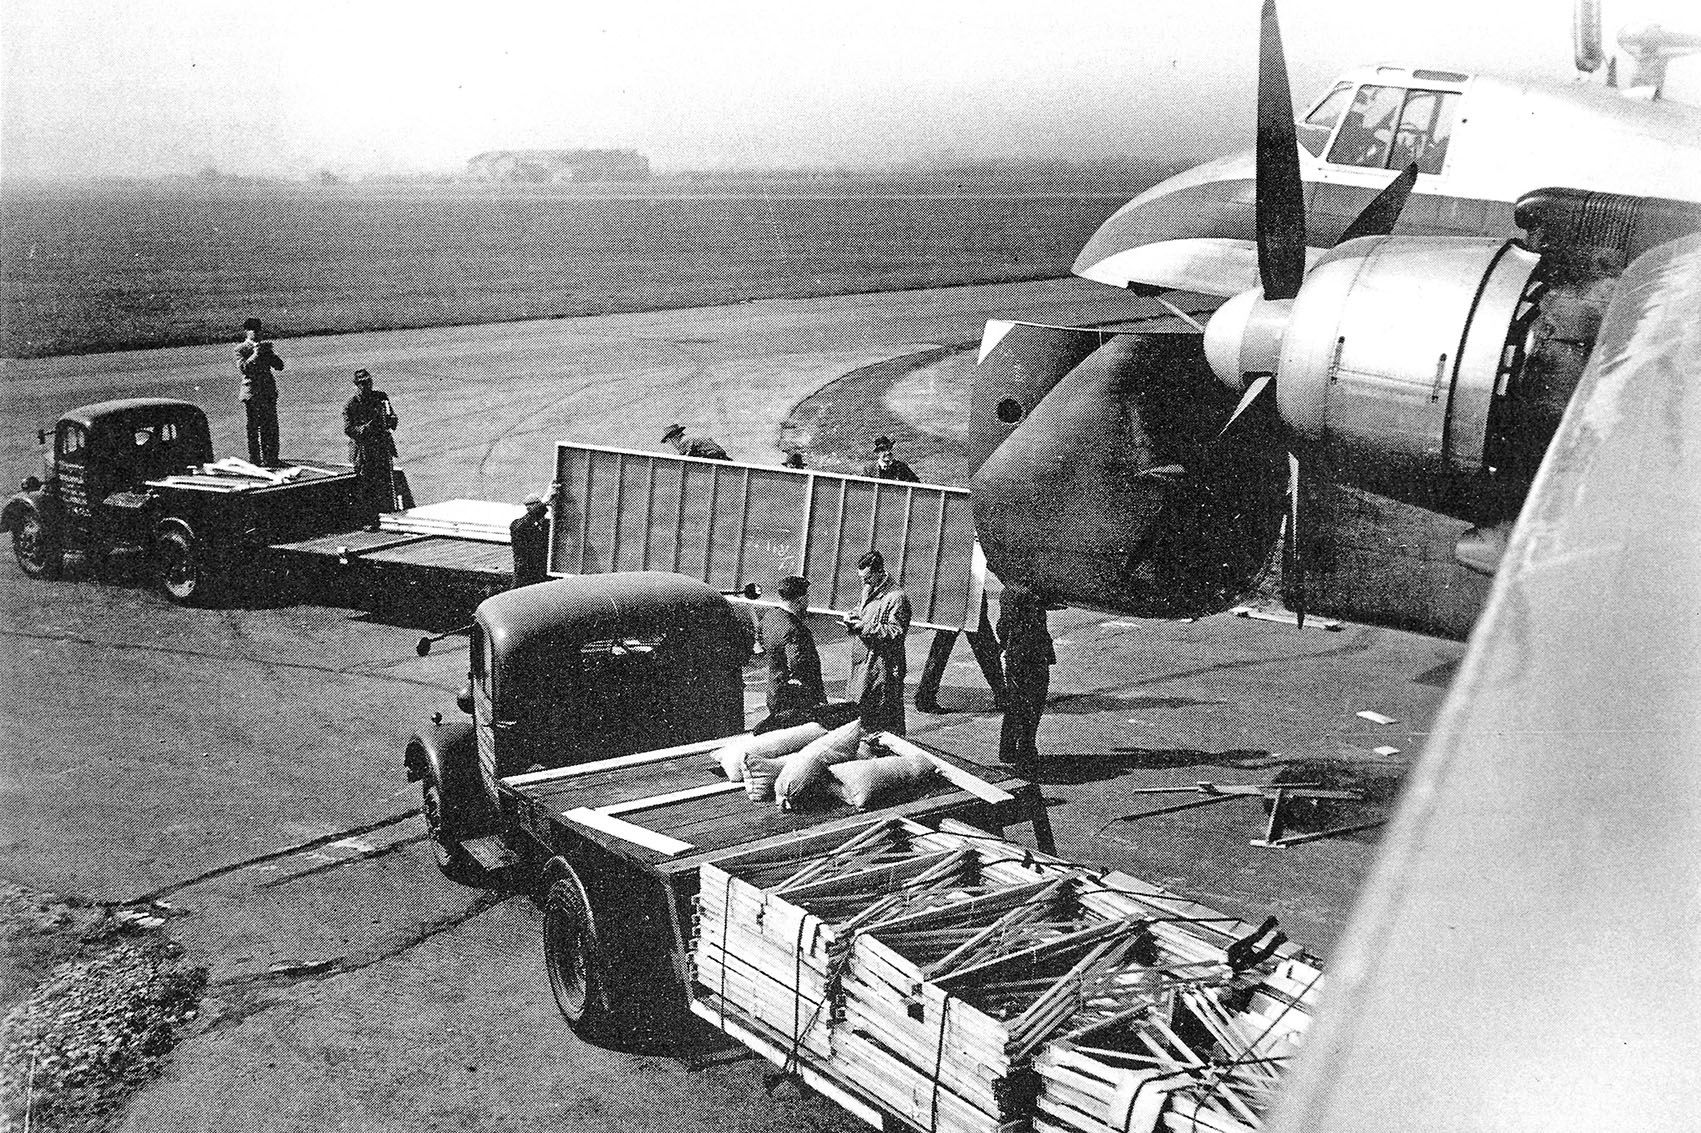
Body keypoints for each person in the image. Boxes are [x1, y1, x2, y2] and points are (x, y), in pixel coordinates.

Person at [842, 549, 912, 735]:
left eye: (867, 578)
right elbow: (864, 610)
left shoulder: (897, 597)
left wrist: (862, 627)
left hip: (883, 666)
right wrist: (854, 615)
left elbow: (896, 632)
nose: (863, 582)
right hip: (864, 661)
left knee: (882, 713)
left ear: (879, 572)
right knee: (861, 709)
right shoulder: (869, 588)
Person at [997, 583, 1056, 766]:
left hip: (1016, 654)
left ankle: (1008, 748)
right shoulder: (1030, 592)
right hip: (1032, 655)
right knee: (1033, 703)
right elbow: (1038, 627)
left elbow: (1003, 626)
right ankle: (1026, 747)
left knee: (1016, 703)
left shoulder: (1008, 591)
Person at [761, 574, 826, 715]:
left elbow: (760, 641)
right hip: (795, 701)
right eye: (807, 598)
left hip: (774, 691)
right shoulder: (796, 630)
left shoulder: (769, 617)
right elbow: (798, 667)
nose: (807, 602)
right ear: (800, 600)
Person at [343, 368, 399, 530]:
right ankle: (369, 520)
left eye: (368, 382)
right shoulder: (351, 405)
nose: (366, 386)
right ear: (356, 385)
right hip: (364, 450)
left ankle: (388, 516)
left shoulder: (380, 397)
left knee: (386, 481)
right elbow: (349, 429)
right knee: (366, 485)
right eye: (362, 383)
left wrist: (392, 420)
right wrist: (367, 428)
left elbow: (391, 418)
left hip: (381, 446)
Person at [234, 317, 284, 466]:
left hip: (267, 393)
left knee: (271, 426)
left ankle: (271, 458)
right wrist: (256, 354)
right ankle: (255, 459)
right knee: (254, 428)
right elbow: (244, 369)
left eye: (258, 330)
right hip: (252, 394)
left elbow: (280, 366)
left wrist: (270, 353)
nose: (256, 333)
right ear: (247, 332)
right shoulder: (241, 349)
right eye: (252, 331)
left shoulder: (265, 348)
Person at [509, 489, 553, 588]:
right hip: (525, 576)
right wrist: (543, 503)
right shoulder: (518, 525)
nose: (530, 508)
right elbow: (523, 524)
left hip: (542, 575)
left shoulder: (548, 525)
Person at [661, 422, 730, 461]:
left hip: (714, 456)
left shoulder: (684, 441)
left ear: (676, 435)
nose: (671, 442)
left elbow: (684, 458)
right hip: (720, 455)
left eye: (670, 438)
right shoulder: (690, 438)